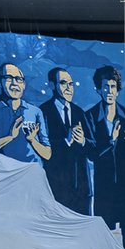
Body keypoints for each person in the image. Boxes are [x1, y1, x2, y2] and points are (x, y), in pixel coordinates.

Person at [84, 66, 125, 249]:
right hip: (105, 186)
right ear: (98, 89)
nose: (109, 91)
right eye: (105, 86)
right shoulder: (90, 116)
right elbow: (91, 153)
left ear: (118, 89)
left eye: (113, 86)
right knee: (105, 235)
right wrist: (111, 140)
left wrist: (124, 140)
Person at [0, 62, 51, 164]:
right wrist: (10, 137)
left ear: (24, 85)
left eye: (19, 79)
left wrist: (32, 140)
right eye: (9, 78)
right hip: (3, 173)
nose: (14, 83)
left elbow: (47, 154)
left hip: (33, 171)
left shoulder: (35, 111)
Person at [39, 67, 90, 214]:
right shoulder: (44, 112)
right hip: (56, 187)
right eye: (63, 83)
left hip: (81, 188)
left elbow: (93, 147)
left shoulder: (79, 112)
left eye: (71, 84)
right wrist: (65, 141)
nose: (69, 88)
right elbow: (42, 148)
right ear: (52, 85)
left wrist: (83, 141)